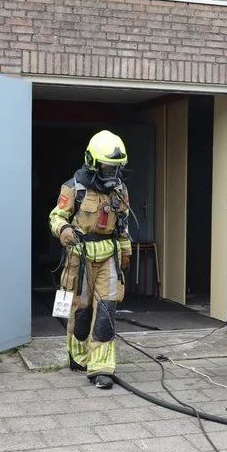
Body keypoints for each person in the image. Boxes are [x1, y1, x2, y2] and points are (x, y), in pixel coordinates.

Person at [48, 130, 132, 390]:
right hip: (80, 257)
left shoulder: (120, 190)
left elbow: (123, 225)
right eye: (108, 167)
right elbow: (56, 216)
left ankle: (101, 368)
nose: (112, 173)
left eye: (117, 167)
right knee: (81, 310)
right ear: (93, 162)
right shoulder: (74, 188)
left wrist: (126, 251)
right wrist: (63, 230)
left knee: (106, 311)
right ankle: (79, 355)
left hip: (108, 256)